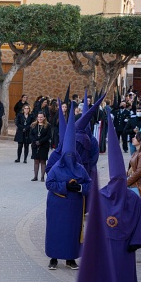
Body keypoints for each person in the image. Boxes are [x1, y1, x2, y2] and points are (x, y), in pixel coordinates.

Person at [95, 112, 141, 282]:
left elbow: (138, 224)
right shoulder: (102, 196)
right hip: (112, 247)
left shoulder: (129, 199)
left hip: (122, 248)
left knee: (122, 280)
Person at [45, 108, 91, 270]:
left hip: (74, 206)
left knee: (72, 233)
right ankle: (53, 258)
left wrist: (79, 187)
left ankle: (71, 259)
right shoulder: (56, 169)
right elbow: (49, 184)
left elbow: (89, 184)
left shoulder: (80, 169)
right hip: (57, 205)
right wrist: (65, 186)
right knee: (56, 231)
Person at [30, 111, 52, 182]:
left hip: (44, 145)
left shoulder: (48, 125)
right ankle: (35, 176)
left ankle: (42, 177)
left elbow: (48, 135)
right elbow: (31, 134)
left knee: (43, 161)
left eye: (41, 117)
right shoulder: (33, 125)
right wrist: (35, 141)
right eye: (38, 117)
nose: (40, 118)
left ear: (44, 117)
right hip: (35, 145)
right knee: (36, 160)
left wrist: (40, 141)